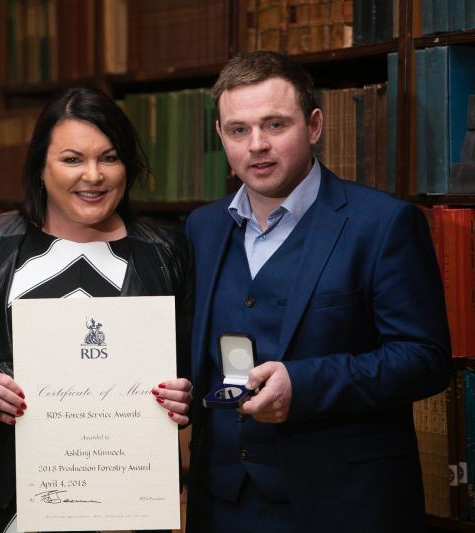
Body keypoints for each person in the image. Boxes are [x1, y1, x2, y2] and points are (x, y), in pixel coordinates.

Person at [184, 51, 452, 533]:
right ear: (221, 136)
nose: (257, 146)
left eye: (275, 125)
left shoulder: (383, 224)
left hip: (344, 505)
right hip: (221, 503)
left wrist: (303, 386)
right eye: (239, 130)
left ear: (314, 125)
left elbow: (425, 360)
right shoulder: (201, 228)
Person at [0, 86, 194, 533]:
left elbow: (194, 367)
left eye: (109, 157)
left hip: (132, 503)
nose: (93, 176)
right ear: (41, 165)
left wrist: (185, 394)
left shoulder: (168, 249)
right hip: (15, 502)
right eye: (72, 159)